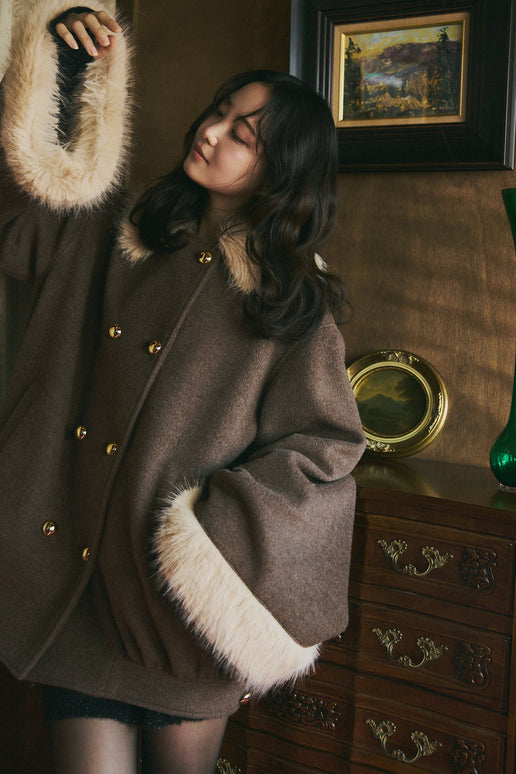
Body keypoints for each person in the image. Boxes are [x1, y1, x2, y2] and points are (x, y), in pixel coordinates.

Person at [0, 2, 366, 773]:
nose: (211, 131)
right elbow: (24, 218)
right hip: (77, 590)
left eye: (243, 135)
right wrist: (66, 72)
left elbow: (325, 446)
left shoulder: (291, 304)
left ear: (282, 169)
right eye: (219, 111)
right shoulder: (115, 230)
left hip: (177, 616)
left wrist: (207, 539)